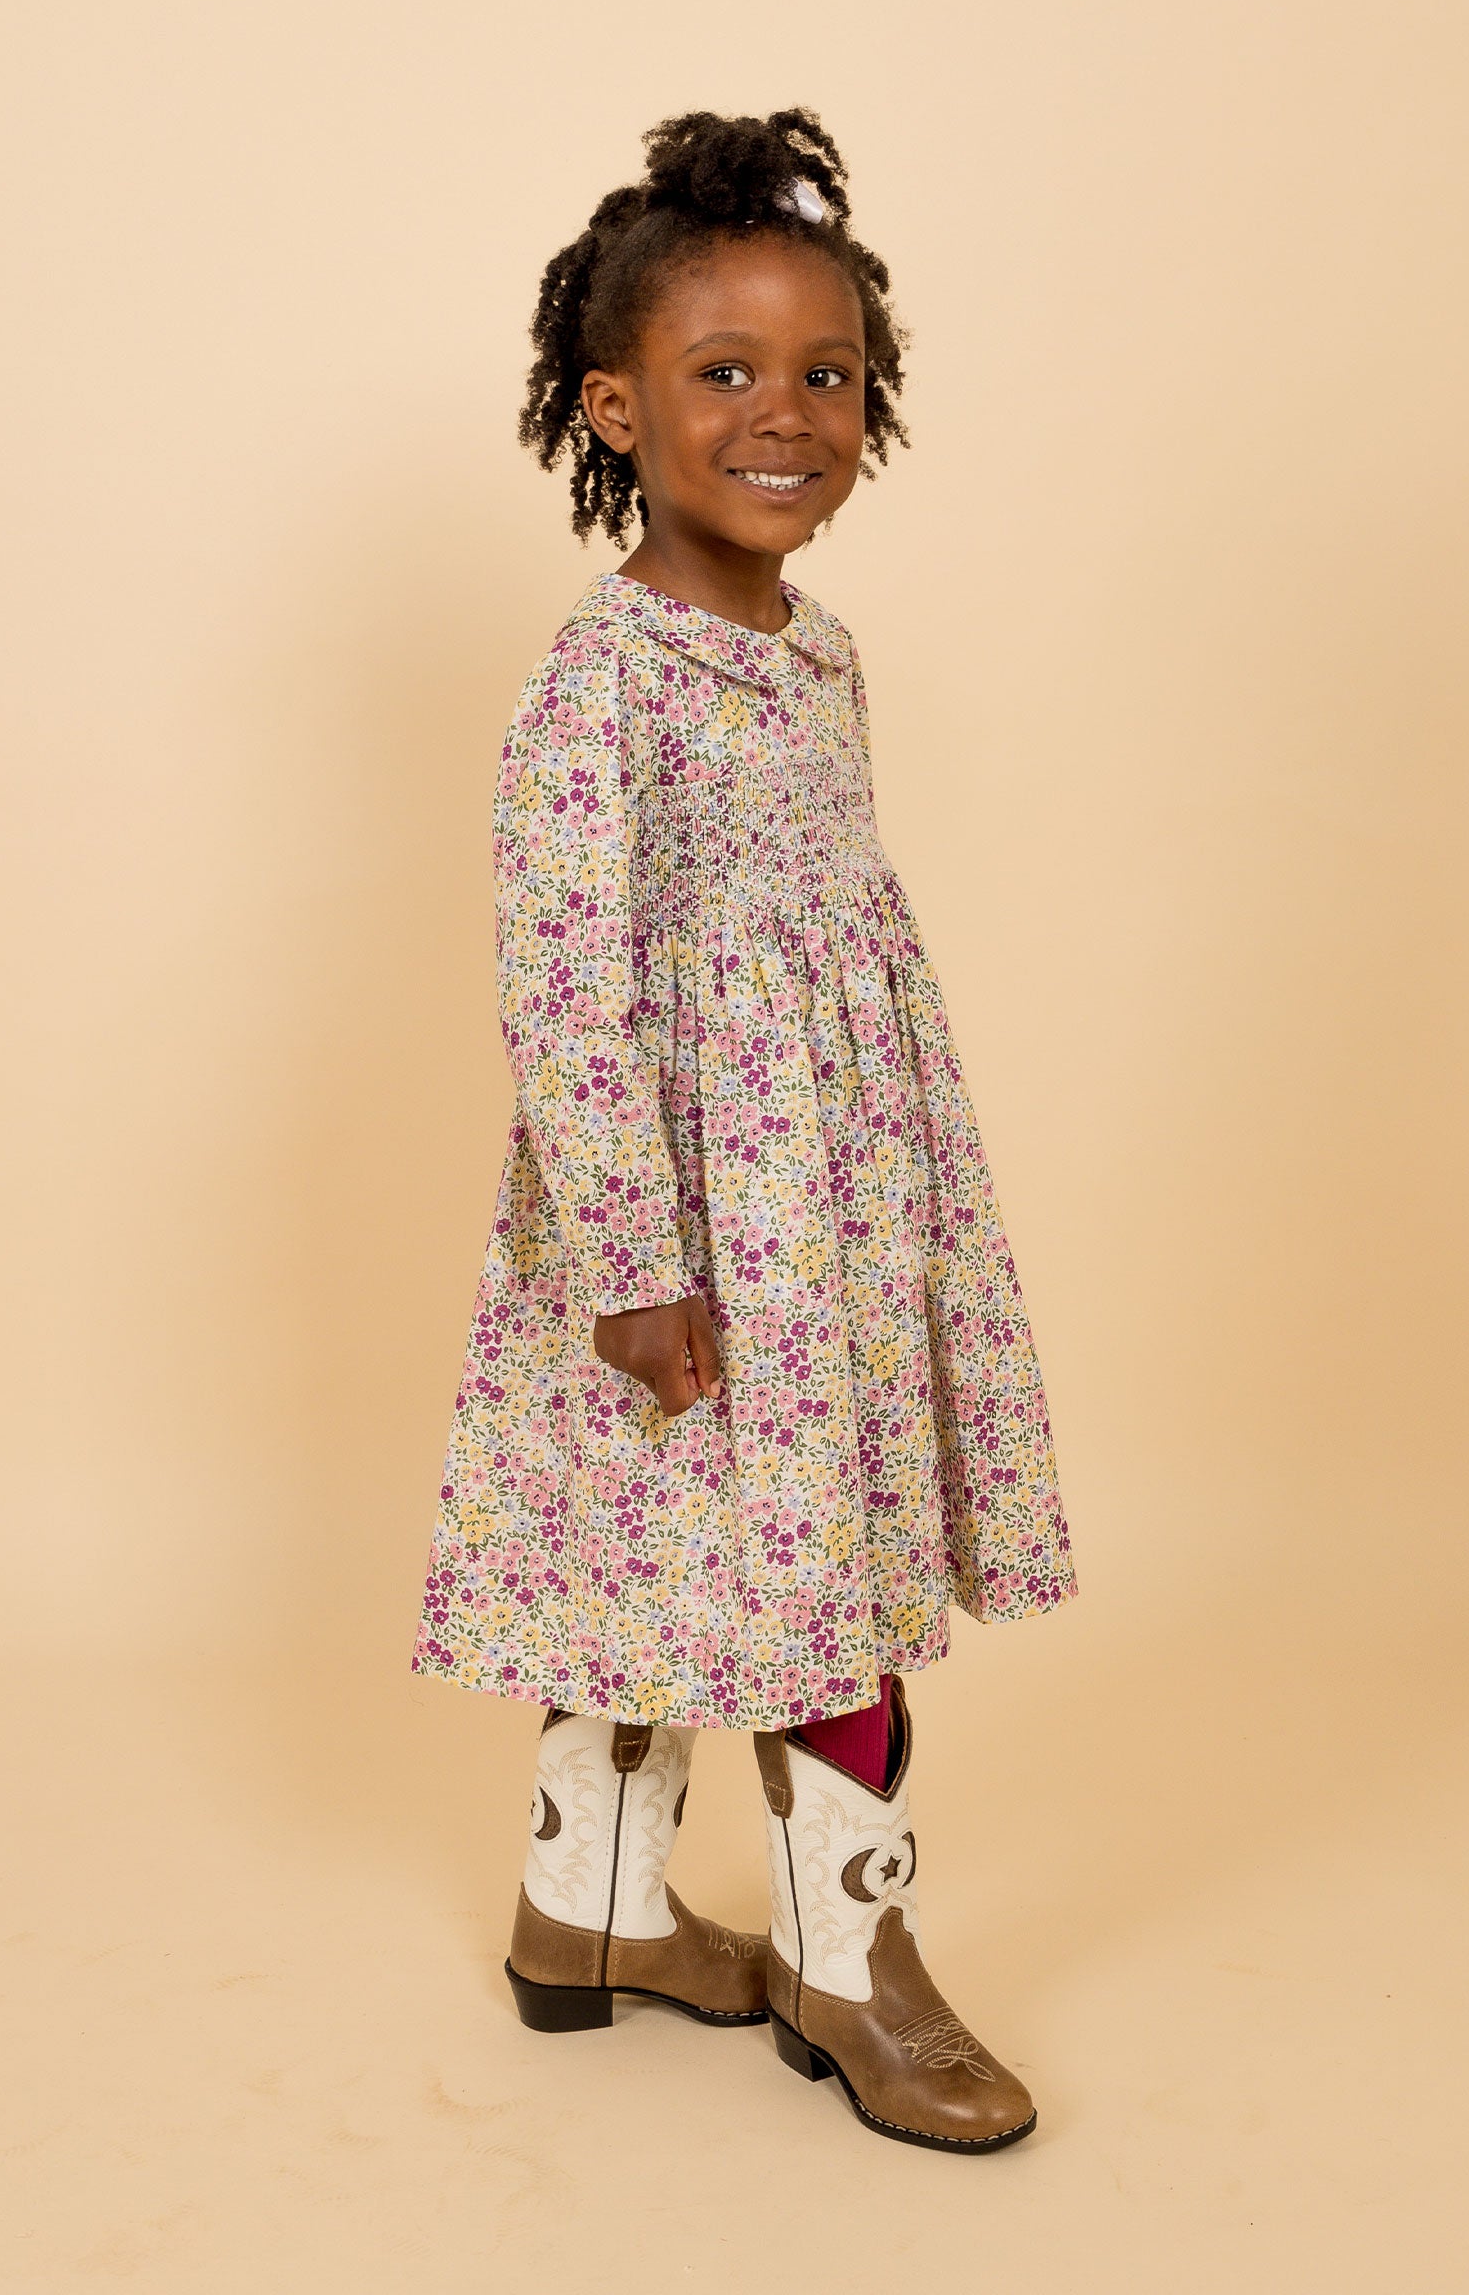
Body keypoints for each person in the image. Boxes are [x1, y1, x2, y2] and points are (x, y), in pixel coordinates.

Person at [412, 109, 1077, 2151]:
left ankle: (587, 1907)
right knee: (796, 1567)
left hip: (844, 1196)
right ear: (611, 405)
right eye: (724, 373)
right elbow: (567, 988)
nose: (784, 415)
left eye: (827, 376)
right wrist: (635, 1262)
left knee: (704, 1546)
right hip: (696, 1225)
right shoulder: (597, 683)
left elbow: (827, 937)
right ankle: (847, 1958)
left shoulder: (824, 652)